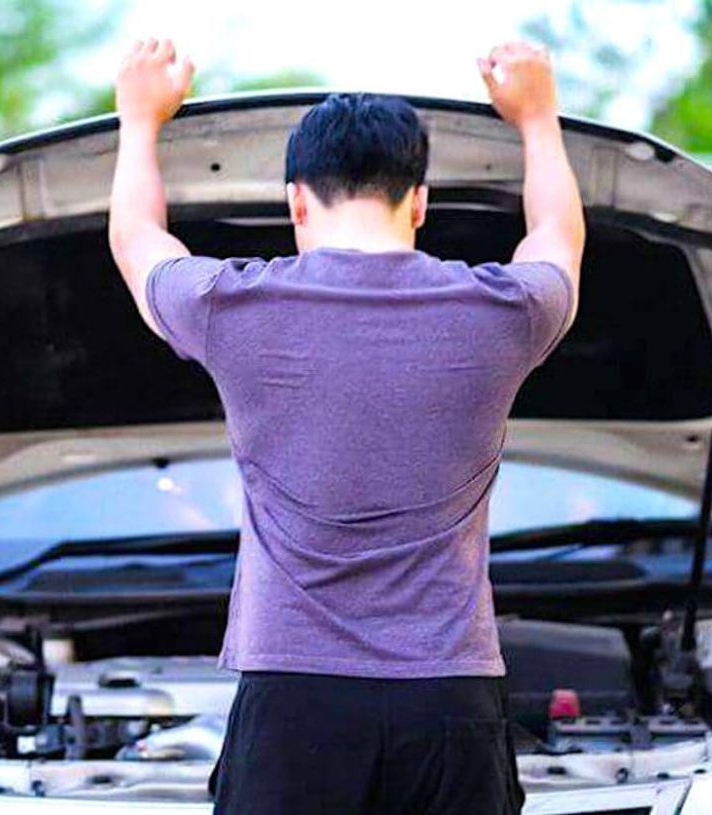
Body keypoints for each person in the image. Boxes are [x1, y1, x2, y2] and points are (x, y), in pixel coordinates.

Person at [108, 38, 584, 815]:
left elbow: (136, 240)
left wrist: (139, 120)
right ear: (419, 202)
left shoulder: (231, 306)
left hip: (295, 704)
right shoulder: (504, 311)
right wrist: (537, 119)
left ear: (296, 201)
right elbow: (557, 238)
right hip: (450, 702)